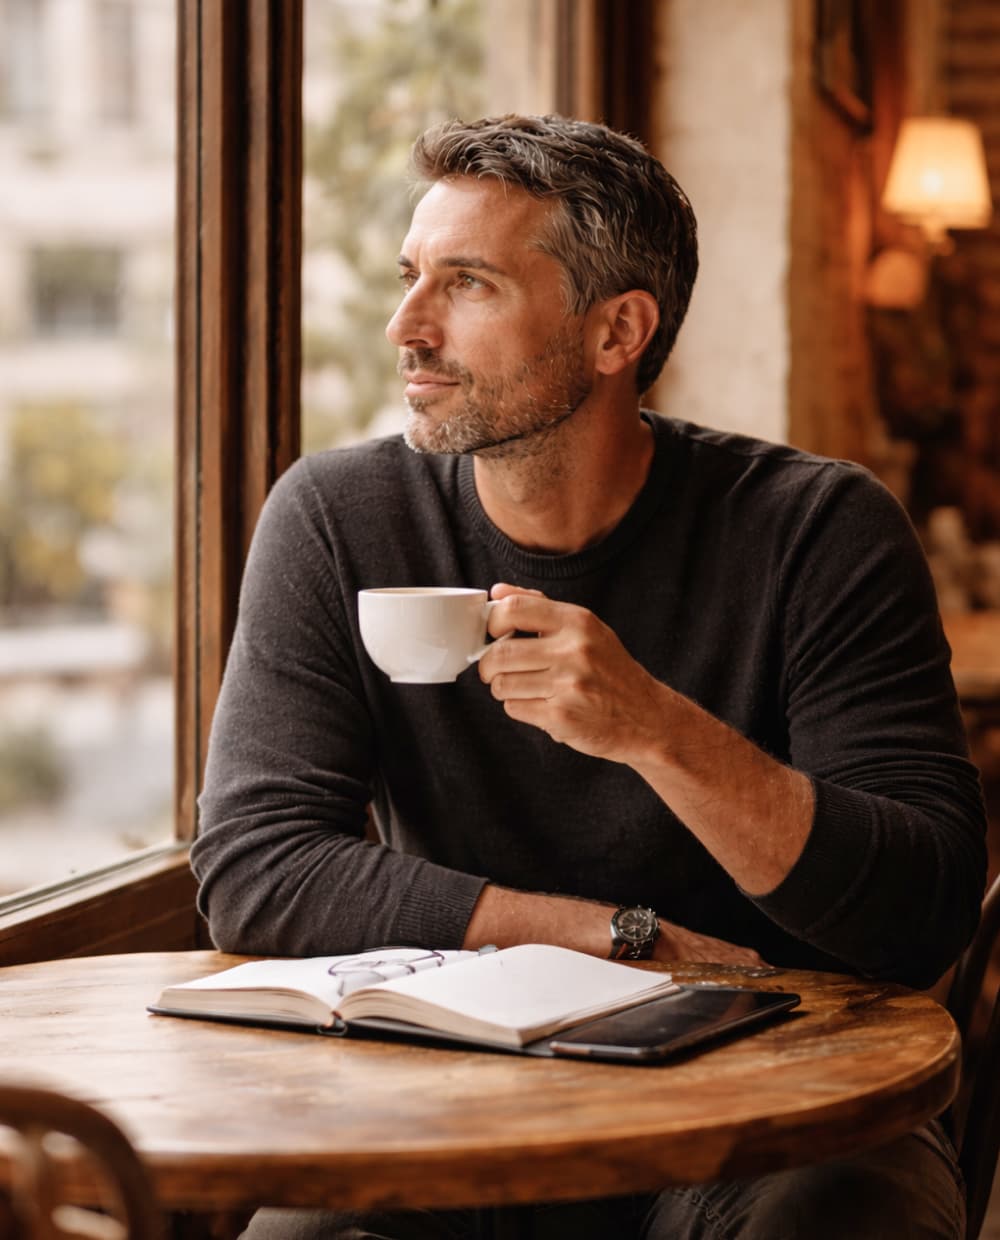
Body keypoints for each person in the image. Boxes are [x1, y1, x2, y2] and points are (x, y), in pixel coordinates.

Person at [192, 115, 985, 1239]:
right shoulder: (337, 518)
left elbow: (924, 906)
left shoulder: (817, 528)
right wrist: (613, 934)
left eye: (467, 284)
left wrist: (655, 728)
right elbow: (254, 865)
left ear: (618, 331)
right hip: (450, 1089)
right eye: (412, 277)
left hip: (778, 1090)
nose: (407, 326)